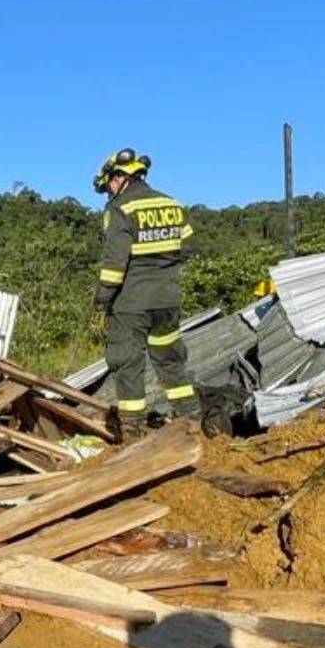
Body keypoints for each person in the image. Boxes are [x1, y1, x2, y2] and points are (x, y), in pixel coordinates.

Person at [92, 147, 196, 442]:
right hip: (168, 299)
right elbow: (187, 247)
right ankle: (191, 422)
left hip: (132, 302)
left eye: (109, 185)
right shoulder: (172, 204)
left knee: (127, 363)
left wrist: (101, 304)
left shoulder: (120, 209)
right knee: (171, 361)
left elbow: (114, 266)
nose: (109, 191)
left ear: (118, 177)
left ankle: (133, 435)